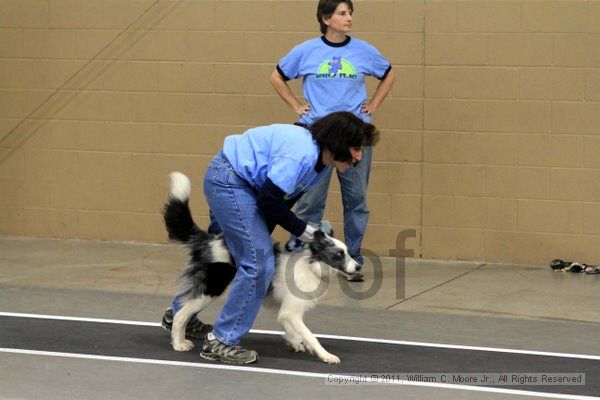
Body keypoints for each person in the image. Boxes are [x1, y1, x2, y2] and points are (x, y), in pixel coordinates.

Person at [163, 111, 379, 364]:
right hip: (230, 180)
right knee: (259, 262)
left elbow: (282, 202)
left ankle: (179, 315)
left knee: (223, 259)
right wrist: (300, 230)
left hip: (244, 184)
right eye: (355, 148)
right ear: (338, 142)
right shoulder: (301, 155)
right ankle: (221, 341)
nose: (359, 156)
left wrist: (271, 233)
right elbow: (269, 201)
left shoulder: (320, 164)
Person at [270, 0, 395, 281]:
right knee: (310, 202)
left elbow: (389, 74)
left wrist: (373, 104)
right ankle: (305, 260)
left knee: (356, 201)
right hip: (317, 138)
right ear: (326, 19)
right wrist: (296, 106)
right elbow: (277, 76)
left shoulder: (364, 51)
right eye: (342, 13)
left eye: (350, 13)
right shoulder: (306, 51)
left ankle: (352, 261)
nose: (349, 18)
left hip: (352, 137)